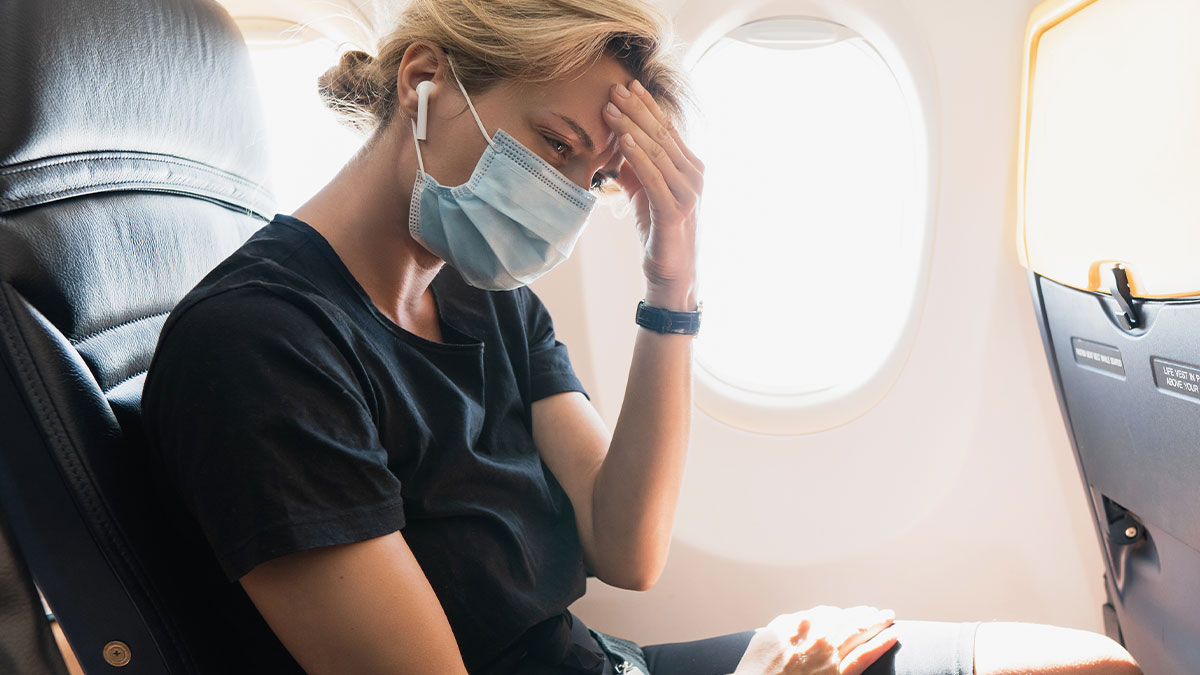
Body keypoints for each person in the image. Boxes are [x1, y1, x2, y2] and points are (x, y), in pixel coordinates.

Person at [139, 1, 1144, 673]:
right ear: (425, 80)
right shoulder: (264, 350)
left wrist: (674, 281)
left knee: (1086, 667)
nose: (566, 198)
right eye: (557, 143)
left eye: (596, 180)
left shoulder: (485, 300)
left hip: (602, 661)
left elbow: (626, 546)